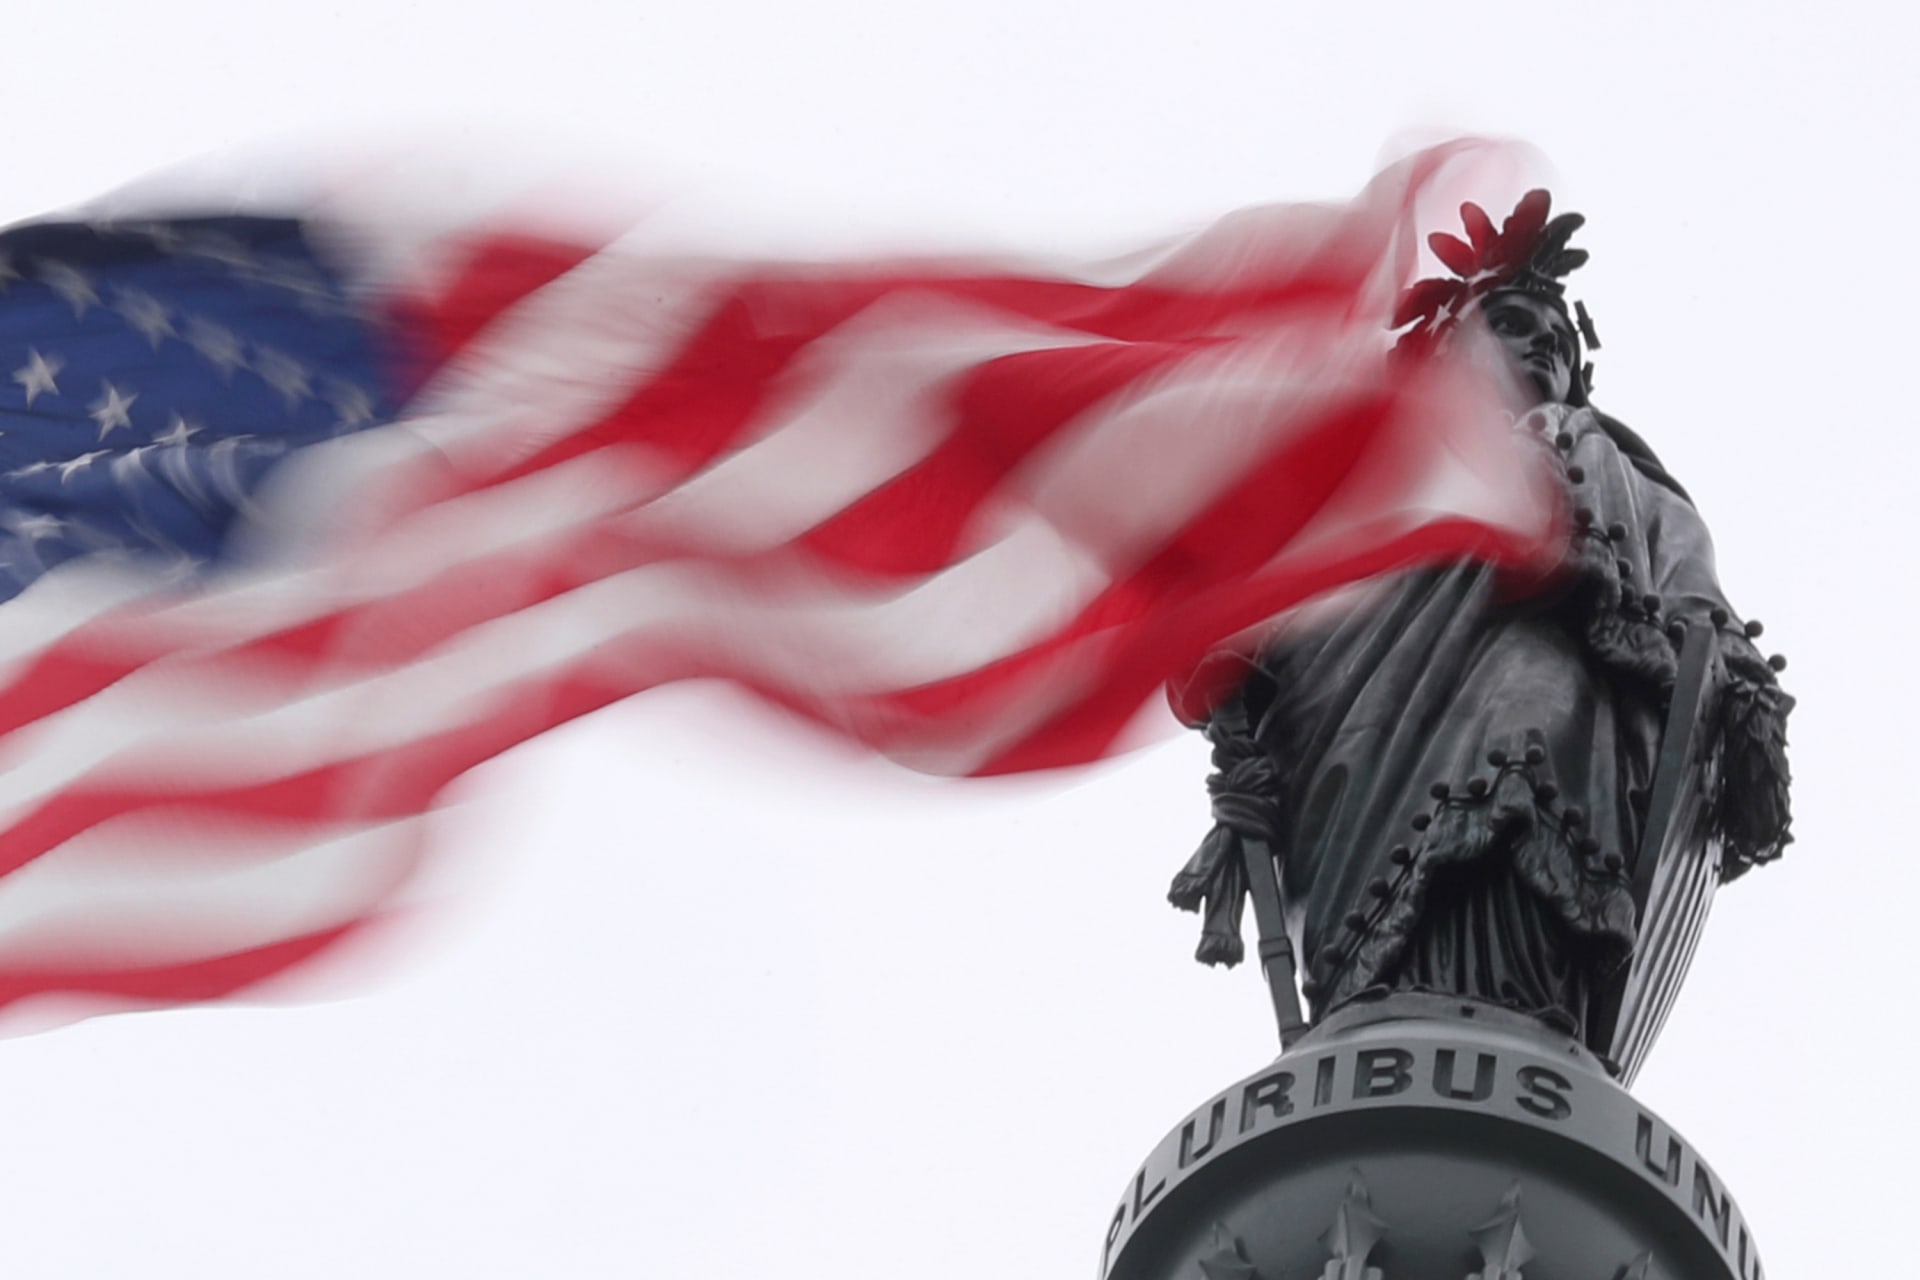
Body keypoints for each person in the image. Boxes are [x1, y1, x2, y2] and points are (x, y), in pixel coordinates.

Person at [1168, 192, 1793, 1052]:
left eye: (1559, 339)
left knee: (1527, 726)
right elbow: (1285, 593)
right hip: (1360, 730)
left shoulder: (1622, 472)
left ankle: (1516, 1008)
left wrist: (1739, 688)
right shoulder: (1377, 468)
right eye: (1512, 323)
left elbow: (1693, 609)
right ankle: (1381, 1009)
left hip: (1557, 687)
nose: (1542, 345)